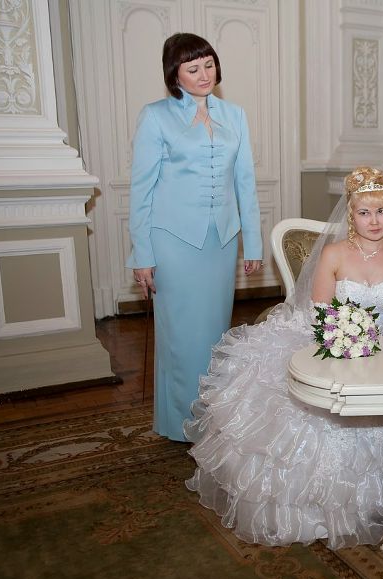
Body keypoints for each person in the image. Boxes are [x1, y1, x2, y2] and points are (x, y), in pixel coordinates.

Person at [184, 166, 383, 549]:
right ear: (351, 215)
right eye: (364, 212)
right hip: (334, 342)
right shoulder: (334, 254)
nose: (374, 221)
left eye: (381, 211)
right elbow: (319, 312)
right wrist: (346, 338)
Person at [126, 33, 264, 442]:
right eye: (193, 68)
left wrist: (253, 243)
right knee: (181, 337)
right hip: (172, 241)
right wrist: (142, 254)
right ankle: (181, 423)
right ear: (175, 75)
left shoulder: (234, 115)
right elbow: (141, 190)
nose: (204, 74)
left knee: (213, 334)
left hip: (221, 242)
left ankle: (209, 415)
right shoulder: (156, 117)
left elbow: (245, 183)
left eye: (209, 64)